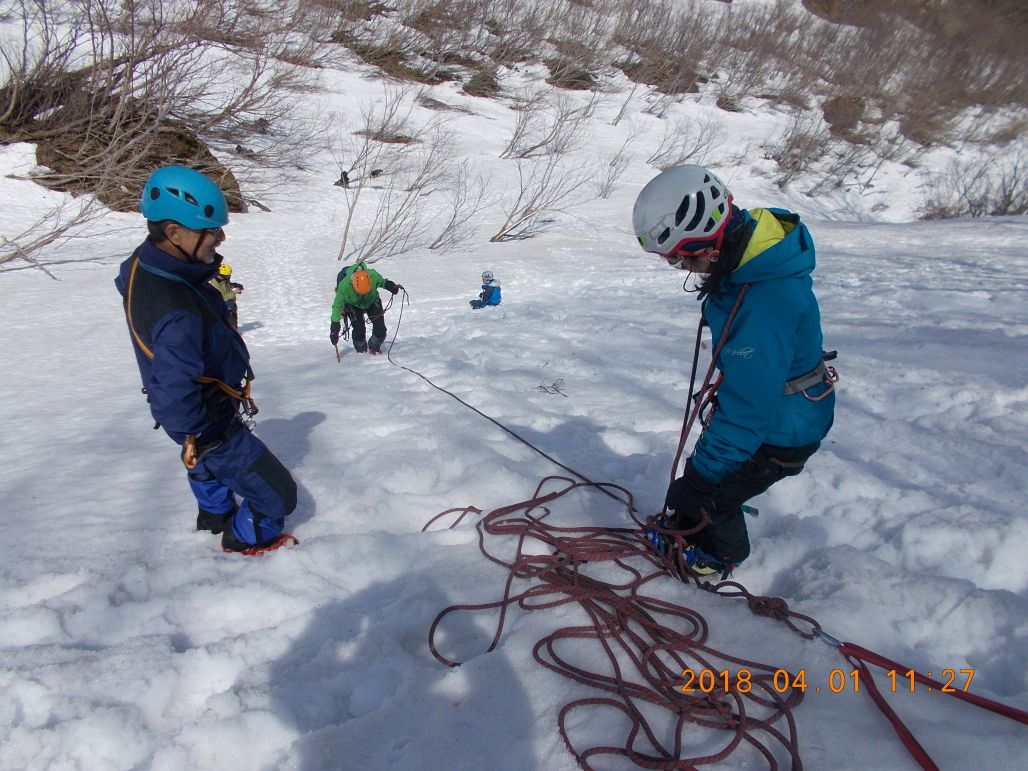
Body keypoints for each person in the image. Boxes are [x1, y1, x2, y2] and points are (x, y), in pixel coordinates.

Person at [633, 164, 836, 577]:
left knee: (708, 493)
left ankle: (717, 559)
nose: (681, 268)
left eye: (679, 259)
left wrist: (701, 481)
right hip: (777, 409)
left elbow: (748, 411)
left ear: (708, 245)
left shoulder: (762, 301)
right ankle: (699, 519)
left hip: (784, 428)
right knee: (702, 484)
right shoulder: (748, 258)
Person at [115, 165, 298, 555]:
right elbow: (176, 397)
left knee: (197, 457)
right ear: (174, 234)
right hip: (208, 419)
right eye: (210, 231)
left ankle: (214, 515)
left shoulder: (142, 265)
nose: (221, 238)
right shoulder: (177, 314)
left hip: (193, 413)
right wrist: (208, 437)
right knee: (280, 498)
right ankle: (240, 538)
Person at [330, 261, 402, 354]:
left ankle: (374, 347)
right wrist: (334, 329)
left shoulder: (372, 275)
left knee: (380, 330)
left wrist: (391, 286)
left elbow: (383, 282)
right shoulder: (344, 286)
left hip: (372, 300)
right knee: (359, 330)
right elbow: (337, 307)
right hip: (354, 304)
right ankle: (361, 352)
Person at [210, 262, 244, 329]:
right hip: (223, 305)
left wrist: (235, 285)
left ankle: (233, 329)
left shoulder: (224, 279)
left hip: (230, 303)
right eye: (228, 275)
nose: (229, 276)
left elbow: (227, 285)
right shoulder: (214, 284)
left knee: (233, 316)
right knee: (229, 320)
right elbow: (222, 296)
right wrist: (235, 292)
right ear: (223, 275)